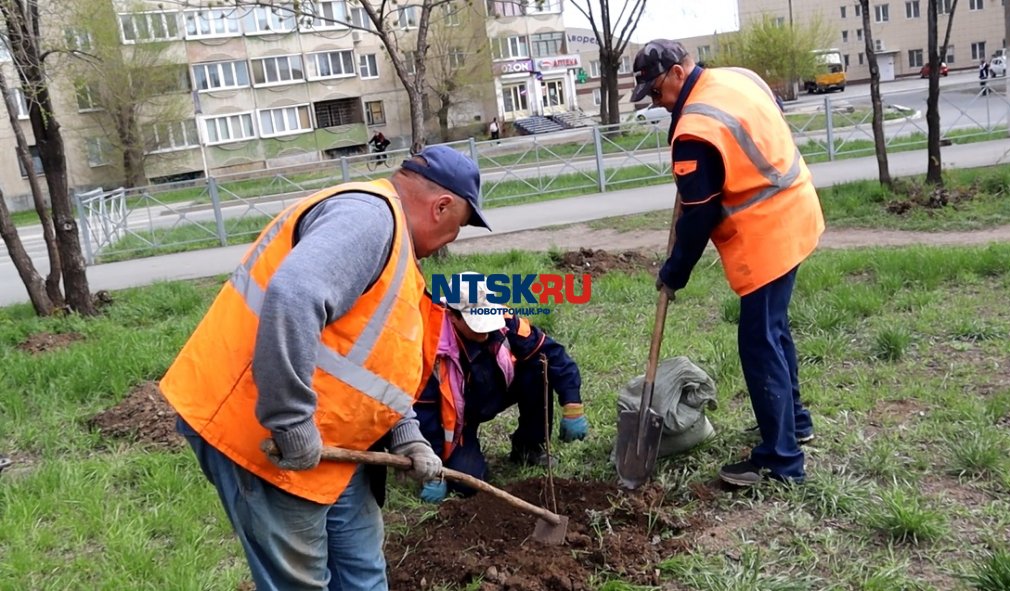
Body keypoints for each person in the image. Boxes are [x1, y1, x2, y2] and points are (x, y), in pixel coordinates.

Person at [159, 145, 491, 590]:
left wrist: (406, 433)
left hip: (335, 445)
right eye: (459, 227)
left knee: (362, 573)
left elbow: (372, 361)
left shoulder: (395, 250)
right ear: (442, 206)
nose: (452, 239)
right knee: (300, 582)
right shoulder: (369, 218)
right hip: (265, 434)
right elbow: (293, 296)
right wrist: (291, 422)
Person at [630, 39, 825, 487]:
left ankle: (781, 462)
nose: (657, 103)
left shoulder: (695, 130)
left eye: (656, 92)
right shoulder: (736, 78)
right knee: (773, 330)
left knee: (758, 342)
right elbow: (772, 113)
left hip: (766, 236)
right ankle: (794, 423)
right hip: (797, 209)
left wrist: (674, 272)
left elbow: (699, 217)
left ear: (678, 74)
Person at [413, 272, 588, 503]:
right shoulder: (430, 346)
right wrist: (433, 467)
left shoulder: (505, 320)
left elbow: (551, 353)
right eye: (476, 324)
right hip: (458, 418)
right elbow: (424, 413)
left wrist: (572, 402)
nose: (485, 330)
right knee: (466, 484)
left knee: (539, 367)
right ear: (453, 316)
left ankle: (528, 448)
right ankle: (461, 457)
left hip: (496, 389)